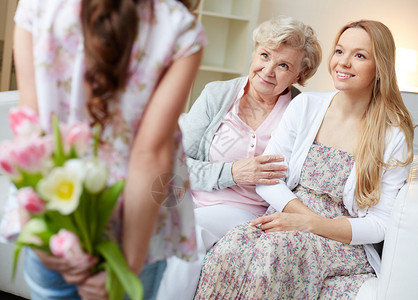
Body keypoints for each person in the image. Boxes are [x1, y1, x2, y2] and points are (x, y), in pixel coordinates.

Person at [194, 19, 415, 299]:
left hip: (341, 239)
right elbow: (269, 179)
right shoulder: (306, 105)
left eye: (359, 55)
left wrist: (313, 225)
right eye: (339, 51)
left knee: (275, 253)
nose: (344, 62)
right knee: (231, 246)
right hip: (287, 219)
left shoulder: (393, 134)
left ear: (380, 68)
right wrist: (301, 218)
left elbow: (380, 223)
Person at [11, 0, 206, 299]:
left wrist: (35, 229)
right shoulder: (179, 28)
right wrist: (126, 266)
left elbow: (30, 130)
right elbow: (150, 156)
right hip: (137, 231)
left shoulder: (37, 6)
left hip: (55, 217)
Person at [156, 16, 322, 299]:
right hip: (191, 198)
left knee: (187, 235)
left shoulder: (304, 111)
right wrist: (232, 172)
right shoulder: (218, 94)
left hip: (246, 211)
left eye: (283, 65)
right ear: (255, 51)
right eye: (265, 55)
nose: (268, 70)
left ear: (299, 74)